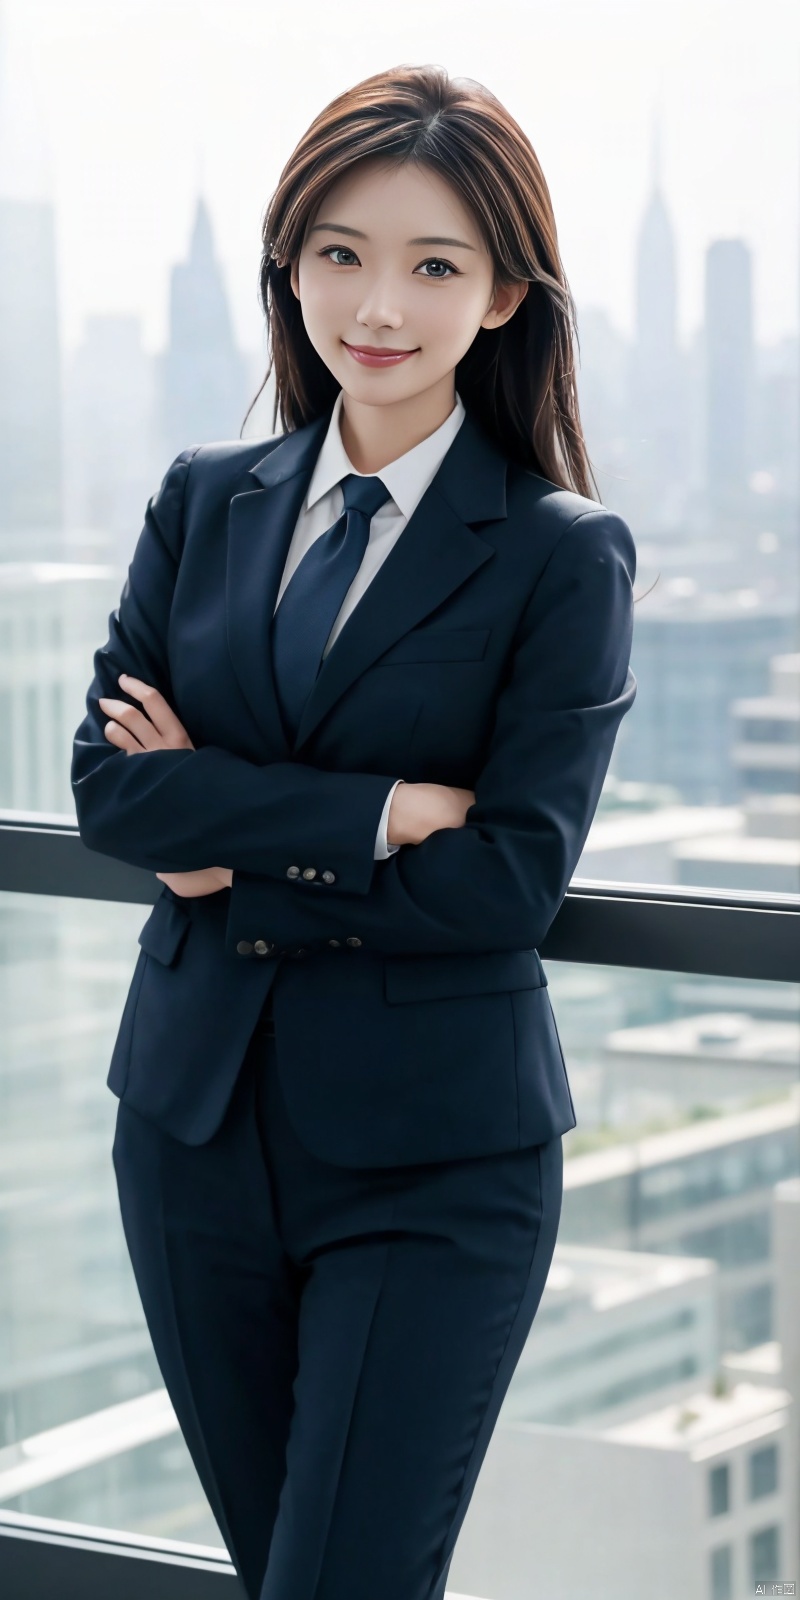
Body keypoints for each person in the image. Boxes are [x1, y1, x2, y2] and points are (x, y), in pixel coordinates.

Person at [71, 62, 638, 1600]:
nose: (377, 303)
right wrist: (374, 815)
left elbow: (508, 884)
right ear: (289, 265)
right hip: (188, 1138)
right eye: (340, 253)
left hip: (432, 1166)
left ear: (507, 294)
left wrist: (230, 840)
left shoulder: (557, 555)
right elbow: (110, 789)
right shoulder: (203, 502)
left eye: (434, 264)